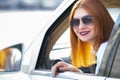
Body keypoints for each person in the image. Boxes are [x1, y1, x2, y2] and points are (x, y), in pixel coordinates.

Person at [51, 0, 114, 77]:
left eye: (87, 20)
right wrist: (79, 74)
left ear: (101, 19)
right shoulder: (108, 48)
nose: (81, 27)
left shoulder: (105, 49)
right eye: (75, 22)